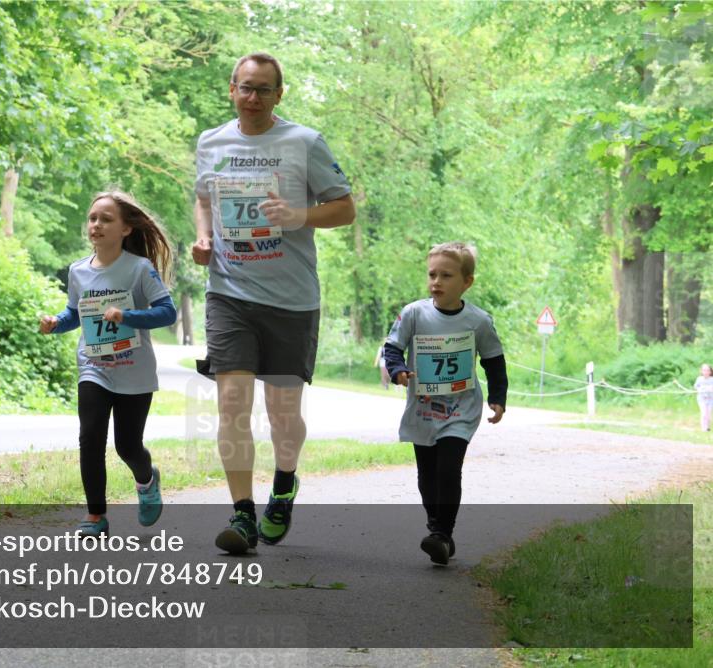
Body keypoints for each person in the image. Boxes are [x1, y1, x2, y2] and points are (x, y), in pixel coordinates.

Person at [192, 52, 356, 554]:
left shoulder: (303, 142)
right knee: (232, 405)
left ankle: (284, 482)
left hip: (291, 299)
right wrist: (202, 238)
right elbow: (204, 197)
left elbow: (345, 208)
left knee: (283, 413)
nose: (253, 97)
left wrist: (296, 215)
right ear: (231, 89)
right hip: (230, 293)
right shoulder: (211, 141)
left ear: (279, 94)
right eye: (246, 87)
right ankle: (242, 515)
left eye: (264, 89)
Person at [40, 191, 177, 537]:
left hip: (134, 371)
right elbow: (76, 312)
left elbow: (167, 312)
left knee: (127, 445)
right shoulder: (78, 271)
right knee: (90, 438)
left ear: (126, 229)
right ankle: (95, 516)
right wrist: (57, 322)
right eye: (92, 218)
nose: (96, 225)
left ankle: (146, 480)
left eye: (106, 219)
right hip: (94, 366)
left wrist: (126, 315)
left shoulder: (139, 269)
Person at [383, 242, 507, 565]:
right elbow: (392, 348)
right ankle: (436, 526)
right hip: (423, 411)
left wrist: (498, 399)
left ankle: (442, 533)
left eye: (447, 276)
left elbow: (494, 361)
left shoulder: (478, 321)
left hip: (461, 411)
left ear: (467, 282)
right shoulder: (414, 314)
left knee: (448, 469)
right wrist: (398, 372)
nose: (436, 282)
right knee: (427, 477)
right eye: (432, 274)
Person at [695, 363, 713, 432]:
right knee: (704, 413)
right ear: (701, 371)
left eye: (707, 370)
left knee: (708, 414)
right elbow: (696, 386)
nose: (706, 372)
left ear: (710, 372)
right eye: (704, 370)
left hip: (710, 399)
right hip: (701, 399)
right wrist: (699, 389)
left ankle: (707, 427)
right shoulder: (699, 379)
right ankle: (704, 428)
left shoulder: (712, 379)